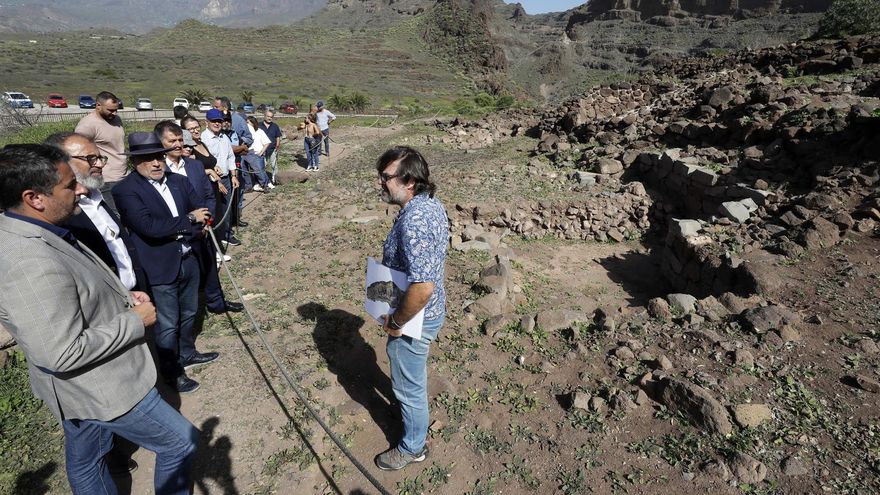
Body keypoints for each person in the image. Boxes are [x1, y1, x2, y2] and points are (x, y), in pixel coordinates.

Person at [0, 144, 198, 495]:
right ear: (34, 198)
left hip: (81, 389)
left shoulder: (38, 228)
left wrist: (121, 297)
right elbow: (60, 352)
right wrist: (135, 320)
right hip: (98, 386)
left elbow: (72, 292)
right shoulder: (27, 261)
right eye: (68, 185)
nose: (80, 188)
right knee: (181, 443)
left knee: (88, 460)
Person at [112, 132, 218, 394]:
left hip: (188, 257)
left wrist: (194, 224)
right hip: (159, 265)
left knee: (190, 311)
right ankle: (172, 372)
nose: (156, 163)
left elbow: (201, 211)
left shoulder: (179, 181)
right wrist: (189, 220)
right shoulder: (126, 190)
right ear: (135, 161)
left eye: (158, 156)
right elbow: (149, 227)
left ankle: (187, 352)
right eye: (148, 158)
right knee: (168, 322)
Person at [373, 146, 448, 471]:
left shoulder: (415, 220)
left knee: (409, 388)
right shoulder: (428, 204)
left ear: (410, 181)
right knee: (410, 380)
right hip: (424, 313)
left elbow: (423, 287)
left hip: (414, 321)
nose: (380, 182)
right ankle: (414, 426)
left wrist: (396, 321)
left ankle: (413, 447)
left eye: (386, 177)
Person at [155, 120, 244, 315]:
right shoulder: (157, 170)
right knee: (184, 274)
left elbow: (209, 195)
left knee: (210, 266)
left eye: (180, 140)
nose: (178, 145)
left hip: (203, 229)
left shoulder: (195, 166)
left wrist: (206, 221)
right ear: (161, 143)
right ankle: (188, 310)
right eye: (172, 141)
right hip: (177, 232)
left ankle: (216, 302)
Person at [44, 132, 147, 293]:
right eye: (90, 158)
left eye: (100, 158)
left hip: (136, 294)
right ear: (60, 162)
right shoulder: (57, 212)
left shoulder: (97, 197)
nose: (99, 164)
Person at [75, 91, 125, 213]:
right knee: (116, 215)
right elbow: (79, 152)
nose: (114, 113)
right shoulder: (87, 125)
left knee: (127, 211)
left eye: (116, 110)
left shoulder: (116, 119)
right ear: (98, 105)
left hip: (122, 175)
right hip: (107, 179)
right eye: (110, 110)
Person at [199, 109, 242, 248]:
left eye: (219, 121)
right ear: (207, 122)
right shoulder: (203, 139)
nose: (217, 124)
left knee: (227, 208)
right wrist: (216, 181)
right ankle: (215, 238)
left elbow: (230, 157)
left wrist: (233, 176)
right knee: (214, 210)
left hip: (226, 178)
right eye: (214, 121)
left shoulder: (224, 138)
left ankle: (226, 233)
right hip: (211, 181)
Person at [246, 115, 273, 191]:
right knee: (252, 171)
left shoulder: (259, 131)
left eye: (248, 122)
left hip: (257, 154)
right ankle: (255, 185)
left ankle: (266, 184)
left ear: (252, 123)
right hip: (249, 153)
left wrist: (261, 152)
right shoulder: (246, 132)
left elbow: (267, 143)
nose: (246, 124)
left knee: (260, 171)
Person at [260, 109, 283, 184]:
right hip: (262, 149)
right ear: (264, 116)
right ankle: (263, 180)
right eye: (268, 116)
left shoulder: (275, 126)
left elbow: (278, 137)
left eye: (271, 117)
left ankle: (276, 179)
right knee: (263, 165)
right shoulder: (259, 126)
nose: (270, 118)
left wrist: (277, 145)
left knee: (274, 165)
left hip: (272, 149)